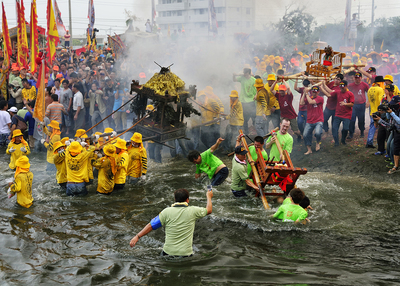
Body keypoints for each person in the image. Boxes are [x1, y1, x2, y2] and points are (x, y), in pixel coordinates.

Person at [129, 188, 213, 257]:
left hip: (167, 253)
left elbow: (151, 225)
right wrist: (209, 197)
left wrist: (137, 236)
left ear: (175, 199)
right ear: (187, 200)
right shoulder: (193, 211)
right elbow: (209, 210)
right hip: (185, 254)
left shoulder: (166, 212)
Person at [322, 80, 354, 146]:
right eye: (340, 87)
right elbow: (329, 94)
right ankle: (336, 142)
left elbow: (352, 104)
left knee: (345, 129)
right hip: (338, 114)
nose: (341, 89)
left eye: (343, 87)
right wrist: (322, 87)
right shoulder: (337, 92)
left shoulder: (350, 94)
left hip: (346, 115)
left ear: (346, 86)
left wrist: (345, 104)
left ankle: (343, 139)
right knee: (334, 128)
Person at [300, 86, 324, 155]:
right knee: (305, 135)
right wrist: (304, 93)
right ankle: (309, 149)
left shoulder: (320, 98)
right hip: (310, 121)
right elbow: (301, 103)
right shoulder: (309, 98)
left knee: (318, 133)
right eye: (313, 92)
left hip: (318, 120)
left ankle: (317, 143)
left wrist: (307, 93)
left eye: (316, 92)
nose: (314, 93)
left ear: (318, 92)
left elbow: (310, 102)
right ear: (312, 92)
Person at [233, 68, 257, 134]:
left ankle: (256, 131)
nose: (244, 75)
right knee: (244, 118)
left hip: (251, 101)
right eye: (244, 73)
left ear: (249, 73)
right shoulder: (242, 78)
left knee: (254, 117)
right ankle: (246, 132)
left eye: (245, 73)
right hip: (243, 101)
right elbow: (234, 80)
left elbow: (258, 89)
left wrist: (256, 95)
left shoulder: (254, 80)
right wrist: (234, 75)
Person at [347, 72, 370, 139]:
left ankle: (362, 131)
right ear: (354, 78)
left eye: (359, 78)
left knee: (361, 119)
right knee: (352, 119)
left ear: (361, 78)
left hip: (362, 104)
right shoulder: (350, 85)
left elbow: (369, 93)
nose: (357, 79)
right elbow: (347, 93)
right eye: (356, 78)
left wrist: (368, 102)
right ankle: (351, 133)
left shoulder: (364, 85)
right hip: (353, 105)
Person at [366, 76, 385, 148]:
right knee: (381, 129)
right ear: (380, 82)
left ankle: (369, 142)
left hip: (372, 112)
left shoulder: (370, 89)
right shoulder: (380, 89)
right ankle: (380, 144)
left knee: (372, 127)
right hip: (378, 112)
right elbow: (381, 101)